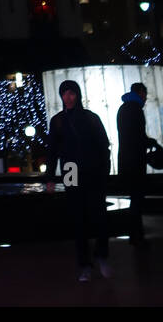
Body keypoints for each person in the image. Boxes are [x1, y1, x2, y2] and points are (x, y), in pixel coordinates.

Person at [46, 79, 112, 281]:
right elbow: (52, 151)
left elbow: (103, 146)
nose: (68, 97)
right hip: (71, 170)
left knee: (99, 214)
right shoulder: (57, 121)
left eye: (71, 93)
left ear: (78, 94)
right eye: (64, 93)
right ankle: (84, 264)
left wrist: (103, 170)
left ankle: (100, 255)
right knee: (78, 218)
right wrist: (50, 177)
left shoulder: (91, 118)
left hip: (91, 170)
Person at [117, 81, 154, 246]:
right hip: (135, 161)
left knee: (134, 198)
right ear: (140, 92)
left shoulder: (123, 108)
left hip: (126, 160)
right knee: (137, 199)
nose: (145, 98)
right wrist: (149, 142)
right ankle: (137, 236)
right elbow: (137, 136)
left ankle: (135, 234)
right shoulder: (135, 109)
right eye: (145, 94)